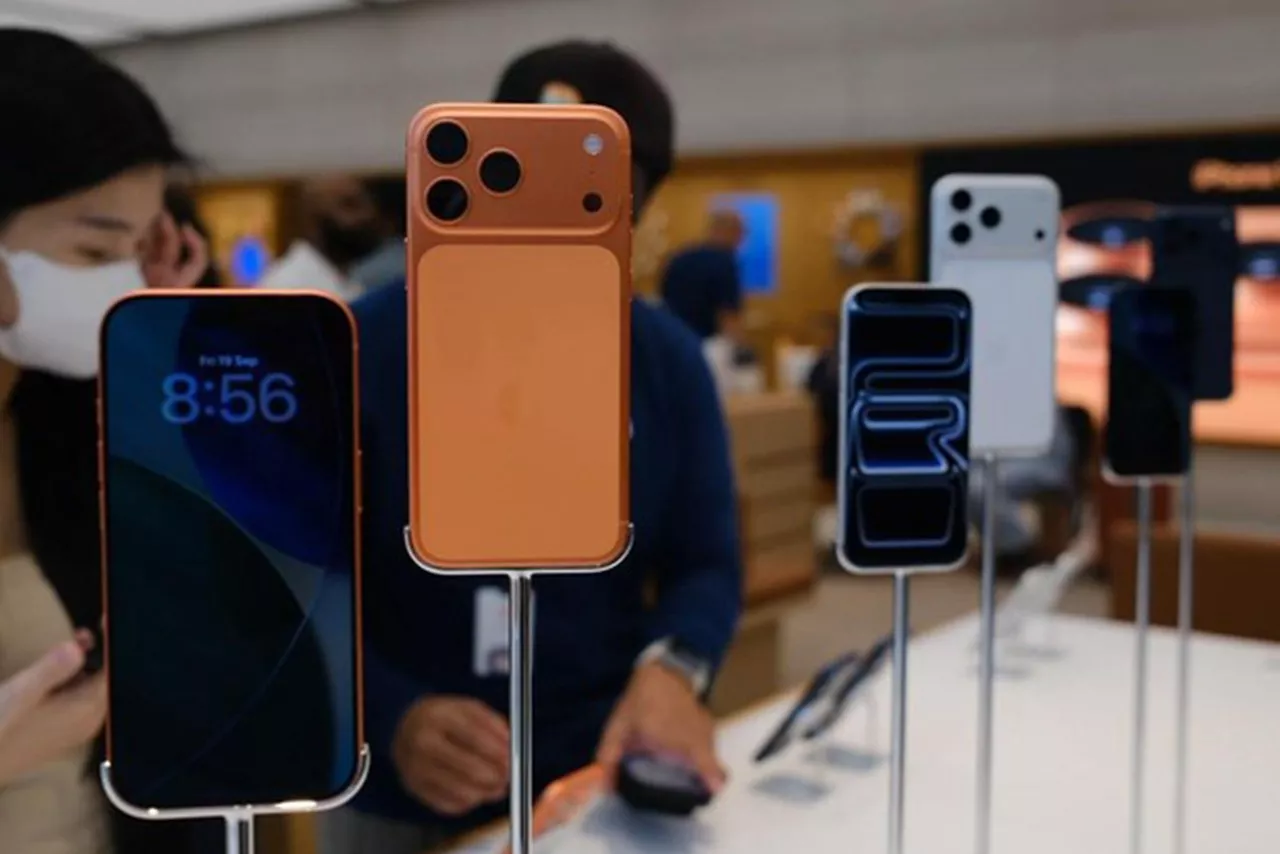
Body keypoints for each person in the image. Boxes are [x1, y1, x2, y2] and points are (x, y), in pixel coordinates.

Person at [324, 41, 743, 853]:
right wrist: (388, 710)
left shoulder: (663, 359)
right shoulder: (358, 345)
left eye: (592, 187)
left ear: (638, 203)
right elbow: (294, 578)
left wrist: (674, 667)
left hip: (594, 770)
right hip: (395, 786)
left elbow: (707, 558)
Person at [0, 27, 212, 854]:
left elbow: (196, 587)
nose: (120, 281)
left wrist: (154, 351)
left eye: (136, 249)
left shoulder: (66, 417)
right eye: (94, 249)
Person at [659, 208, 745, 341]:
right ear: (730, 231)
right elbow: (728, 315)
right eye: (739, 233)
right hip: (707, 341)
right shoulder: (724, 261)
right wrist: (739, 346)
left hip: (673, 337)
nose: (740, 240)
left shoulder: (680, 257)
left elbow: (664, 298)